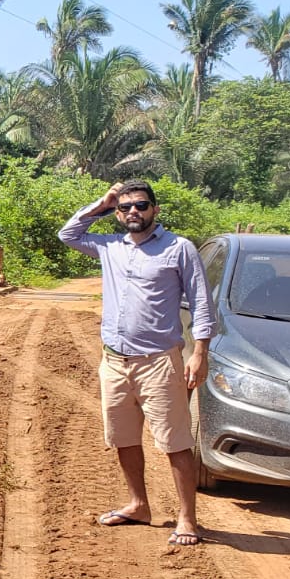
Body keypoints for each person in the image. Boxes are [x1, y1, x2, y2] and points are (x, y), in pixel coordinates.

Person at [59, 179, 214, 547]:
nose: (133, 212)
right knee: (124, 438)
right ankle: (138, 505)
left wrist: (200, 352)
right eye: (125, 207)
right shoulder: (110, 246)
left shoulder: (179, 249)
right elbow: (68, 234)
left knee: (175, 442)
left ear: (155, 210)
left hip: (159, 362)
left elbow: (202, 303)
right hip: (114, 362)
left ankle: (187, 519)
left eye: (141, 205)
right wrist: (103, 201)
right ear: (117, 213)